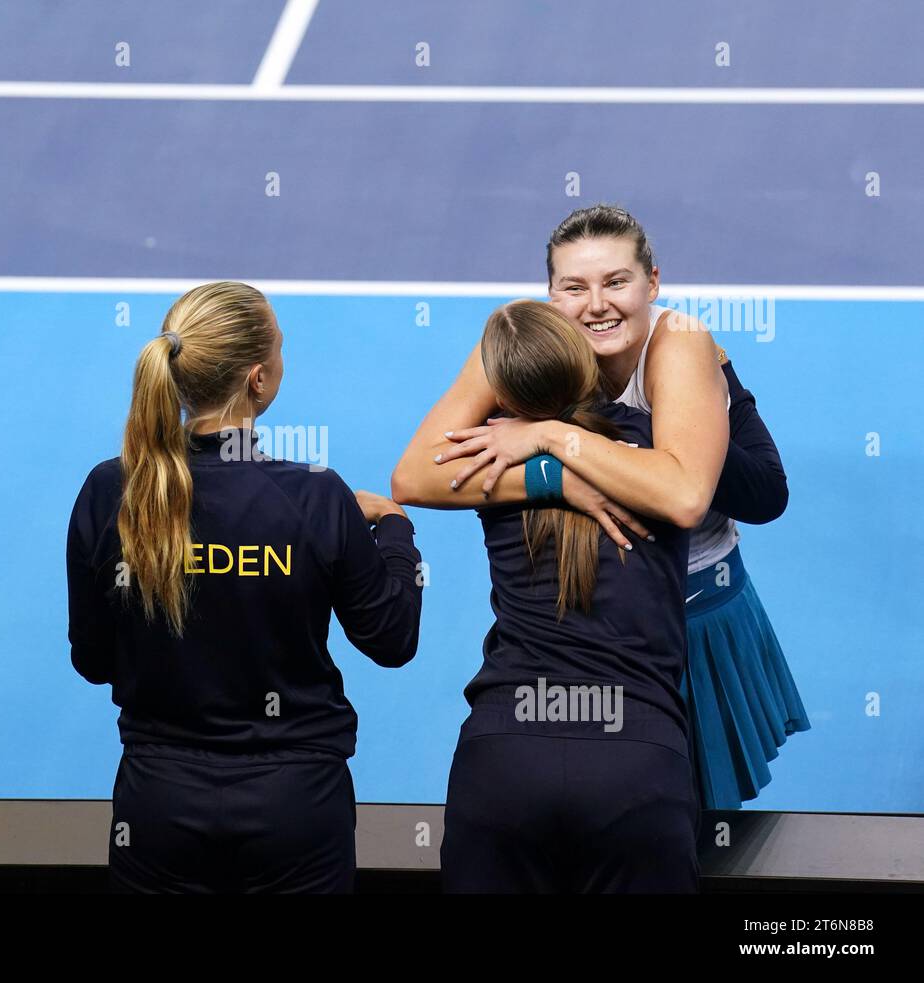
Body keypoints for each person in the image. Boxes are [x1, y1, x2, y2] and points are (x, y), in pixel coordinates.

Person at [393, 204, 807, 811]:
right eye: (574, 287)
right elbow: (413, 476)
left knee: (694, 816)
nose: (596, 305)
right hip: (590, 621)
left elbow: (687, 496)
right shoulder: (527, 343)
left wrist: (554, 439)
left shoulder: (681, 342)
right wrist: (554, 481)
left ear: (653, 283)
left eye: (617, 281)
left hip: (697, 611)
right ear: (550, 294)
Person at [67, 280, 422, 894]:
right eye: (280, 347)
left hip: (157, 806)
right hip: (298, 808)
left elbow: (93, 661)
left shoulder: (111, 490)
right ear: (258, 379)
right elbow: (392, 638)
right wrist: (393, 530)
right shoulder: (316, 496)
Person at [435, 300, 699, 892]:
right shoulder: (661, 461)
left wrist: (541, 447)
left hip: (503, 757)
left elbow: (413, 475)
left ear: (498, 391)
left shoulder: (488, 458)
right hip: (635, 759)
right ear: (586, 363)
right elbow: (738, 480)